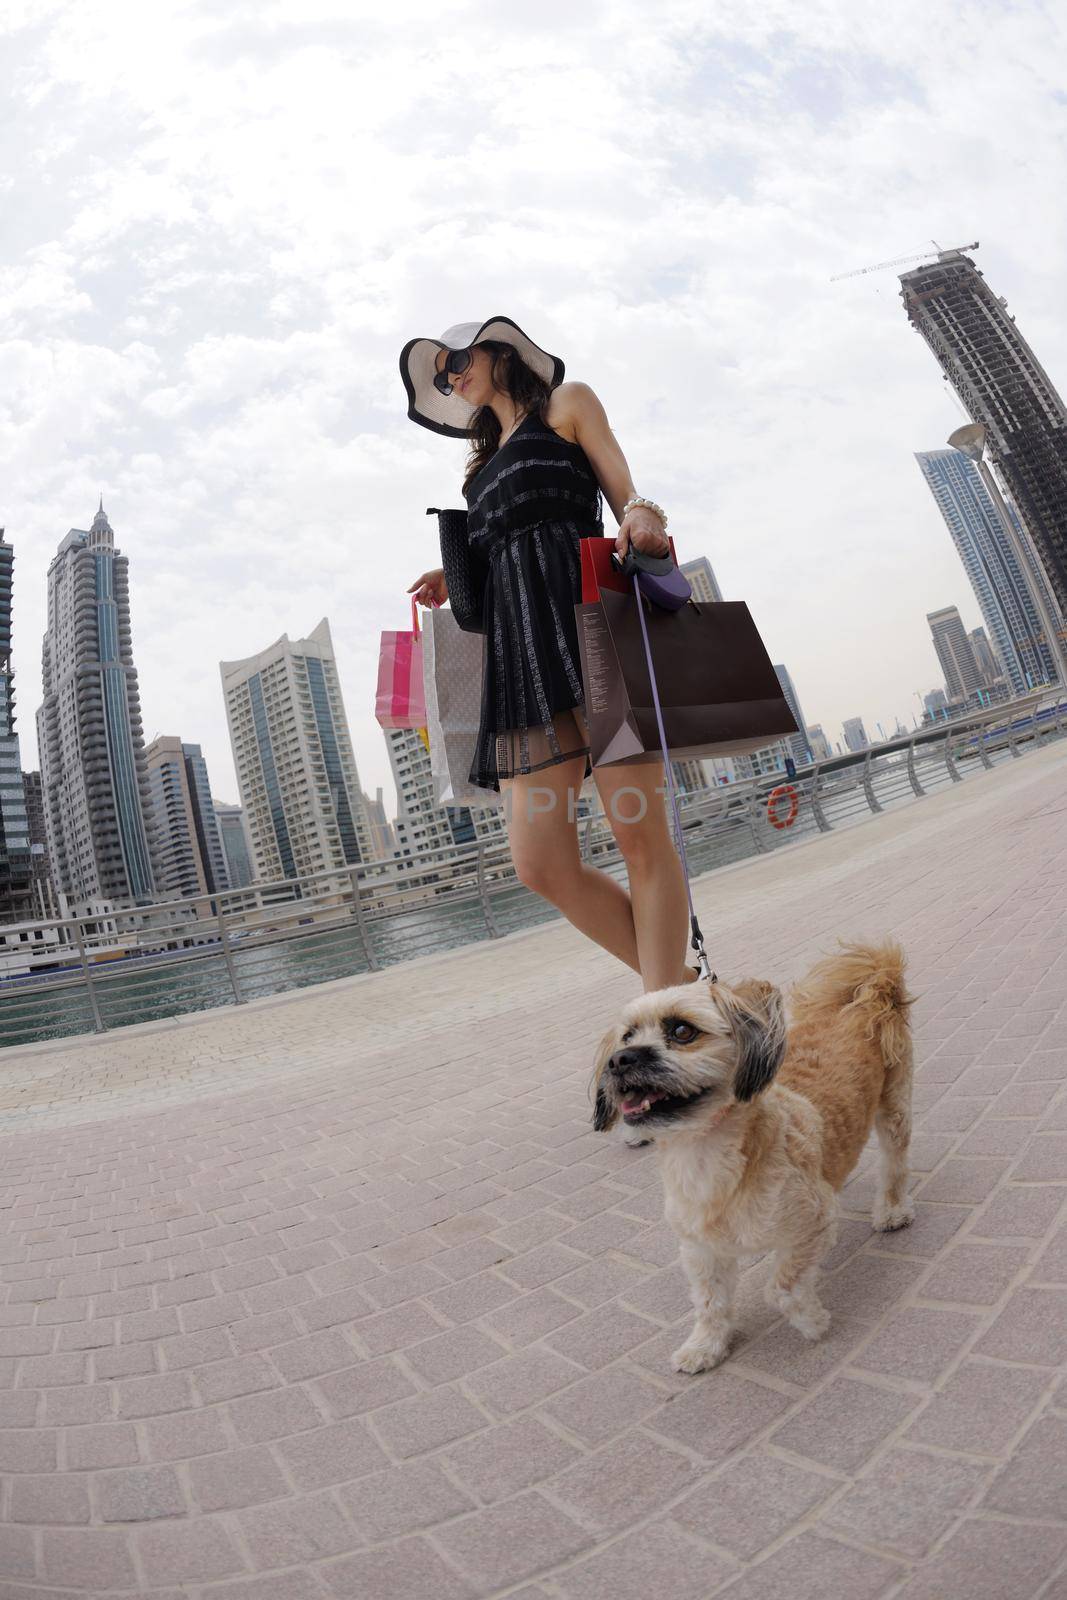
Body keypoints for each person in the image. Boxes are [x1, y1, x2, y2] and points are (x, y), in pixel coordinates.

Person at [401, 316, 699, 995]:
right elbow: (500, 539)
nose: (451, 376)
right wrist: (457, 573)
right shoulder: (479, 466)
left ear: (498, 349)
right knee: (539, 863)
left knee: (641, 841)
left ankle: (667, 1015)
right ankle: (687, 993)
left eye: (456, 360)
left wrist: (643, 514)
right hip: (522, 659)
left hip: (590, 630)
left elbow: (625, 490)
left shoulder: (568, 405)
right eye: (442, 375)